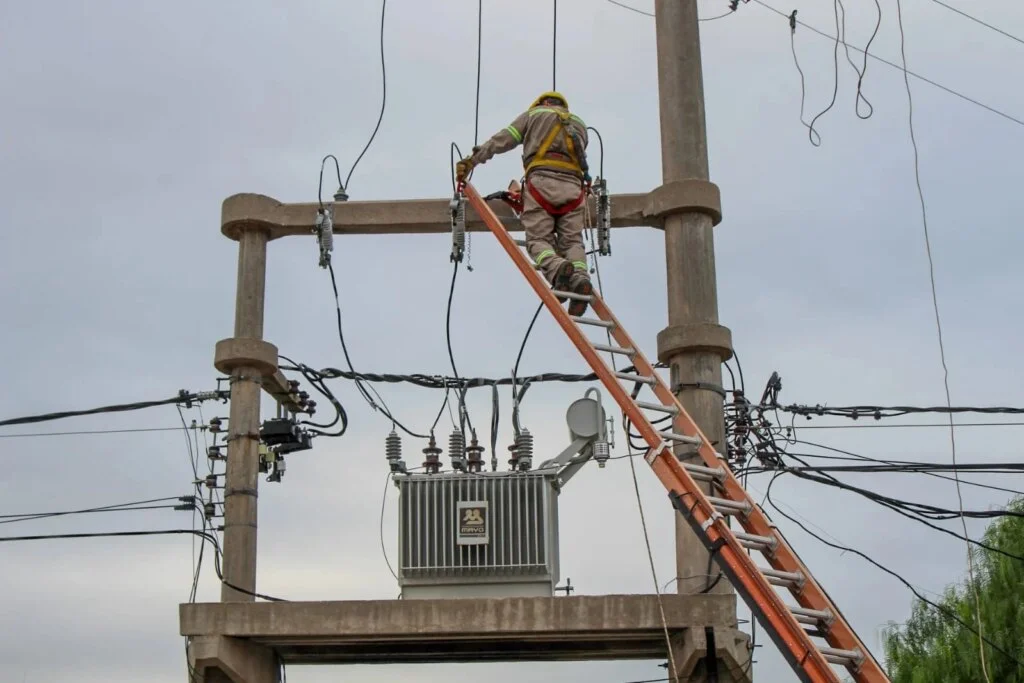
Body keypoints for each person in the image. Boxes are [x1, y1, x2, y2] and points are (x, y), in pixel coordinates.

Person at [456, 91, 593, 315]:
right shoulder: (579, 124)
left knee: (538, 240)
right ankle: (580, 278)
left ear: (543, 103)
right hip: (574, 189)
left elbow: (502, 140)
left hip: (541, 185)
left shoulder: (534, 114)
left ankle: (559, 269)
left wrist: (472, 161)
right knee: (572, 242)